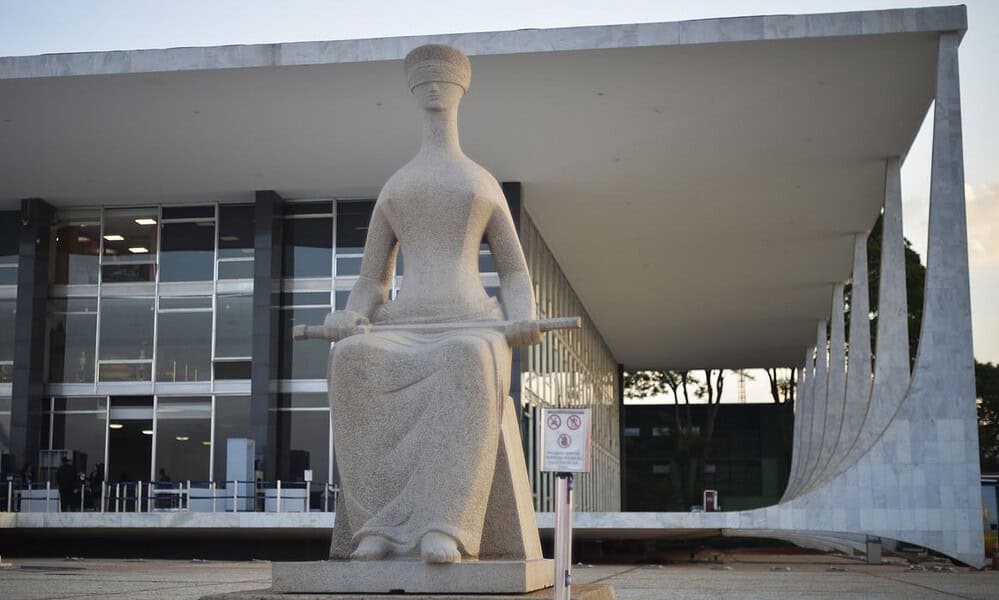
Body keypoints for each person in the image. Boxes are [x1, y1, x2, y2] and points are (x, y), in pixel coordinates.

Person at [324, 44, 544, 564]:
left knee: (466, 357)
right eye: (423, 82)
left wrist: (523, 316)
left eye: (442, 81)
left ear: (460, 90)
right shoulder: (397, 187)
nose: (434, 90)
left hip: (473, 323)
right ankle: (375, 528)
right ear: (412, 92)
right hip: (406, 322)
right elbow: (372, 281)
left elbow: (512, 269)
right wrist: (351, 314)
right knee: (350, 360)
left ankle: (443, 527)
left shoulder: (480, 181)